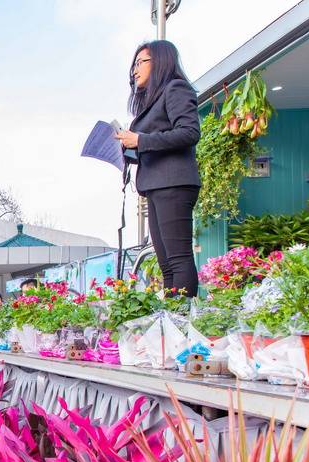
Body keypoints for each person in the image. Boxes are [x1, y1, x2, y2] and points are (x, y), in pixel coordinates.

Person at [116, 39, 201, 298]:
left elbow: (189, 132)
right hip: (156, 186)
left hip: (173, 183)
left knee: (178, 258)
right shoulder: (151, 102)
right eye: (134, 65)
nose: (135, 70)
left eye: (140, 62)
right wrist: (129, 149)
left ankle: (184, 320)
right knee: (166, 264)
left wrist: (140, 140)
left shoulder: (176, 88)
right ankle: (173, 319)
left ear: (161, 61)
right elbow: (157, 141)